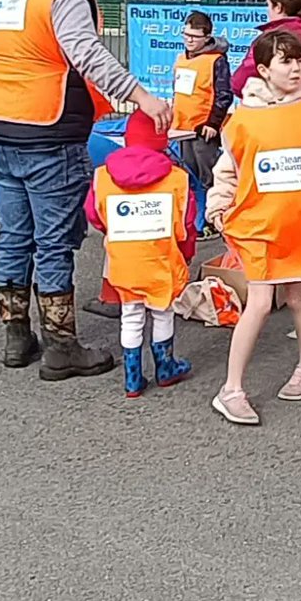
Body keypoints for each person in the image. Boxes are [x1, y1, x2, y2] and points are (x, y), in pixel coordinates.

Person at [0, 0, 171, 381]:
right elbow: (87, 55)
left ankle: (17, 336)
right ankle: (62, 347)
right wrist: (141, 96)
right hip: (48, 130)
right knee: (54, 240)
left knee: (15, 234)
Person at [207, 30, 301, 425]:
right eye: (284, 61)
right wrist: (219, 206)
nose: (294, 68)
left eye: (297, 60)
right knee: (258, 302)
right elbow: (227, 169)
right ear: (262, 69)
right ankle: (231, 389)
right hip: (259, 224)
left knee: (299, 298)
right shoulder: (242, 119)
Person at [86, 110, 196, 398]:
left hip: (123, 262)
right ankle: (166, 368)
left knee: (131, 315)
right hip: (162, 260)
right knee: (162, 313)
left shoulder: (102, 176)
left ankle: (132, 379)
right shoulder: (177, 179)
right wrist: (186, 254)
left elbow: (94, 215)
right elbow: (187, 224)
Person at [171, 10, 233, 189]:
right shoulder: (181, 58)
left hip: (203, 130)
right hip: (182, 127)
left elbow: (224, 94)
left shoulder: (216, 61)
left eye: (195, 36)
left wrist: (213, 123)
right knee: (189, 176)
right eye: (186, 34)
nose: (189, 40)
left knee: (208, 178)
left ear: (207, 38)